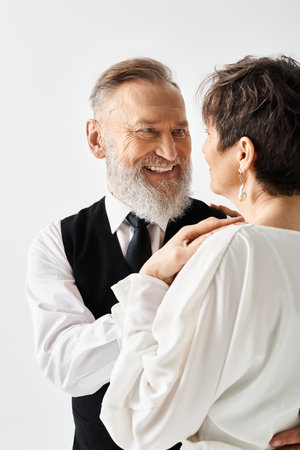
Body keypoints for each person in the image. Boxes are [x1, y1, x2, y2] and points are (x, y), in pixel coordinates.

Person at [26, 57, 300, 450]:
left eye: (181, 131)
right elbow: (65, 366)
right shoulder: (58, 242)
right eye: (148, 131)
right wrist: (149, 284)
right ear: (96, 139)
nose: (171, 152)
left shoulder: (231, 232)